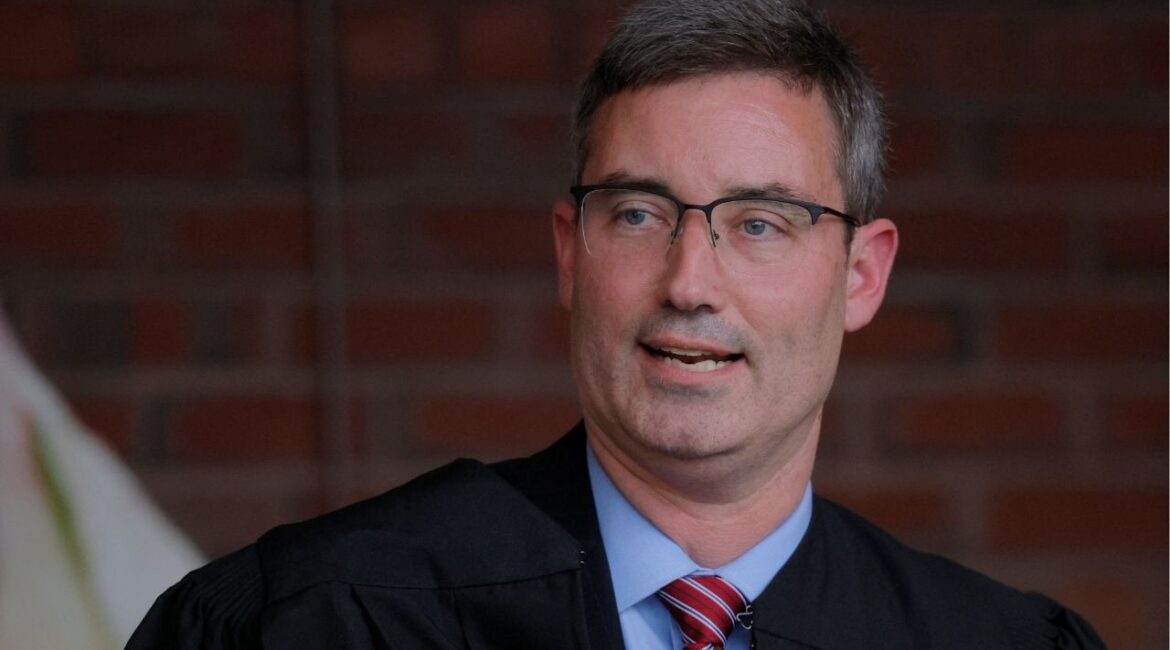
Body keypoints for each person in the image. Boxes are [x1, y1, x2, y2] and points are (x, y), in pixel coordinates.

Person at [128, 1, 1105, 648]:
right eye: (638, 213)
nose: (690, 280)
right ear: (570, 248)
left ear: (860, 272)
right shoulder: (318, 618)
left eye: (760, 223)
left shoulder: (998, 642)